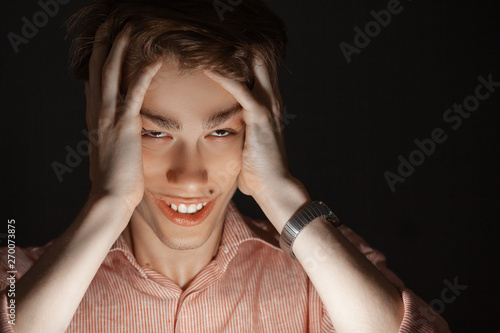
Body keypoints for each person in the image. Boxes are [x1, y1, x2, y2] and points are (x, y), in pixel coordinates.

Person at [0, 0, 450, 331]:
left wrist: (284, 196)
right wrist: (108, 204)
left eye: (221, 132)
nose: (190, 175)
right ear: (102, 126)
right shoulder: (16, 278)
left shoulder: (325, 267)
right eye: (154, 132)